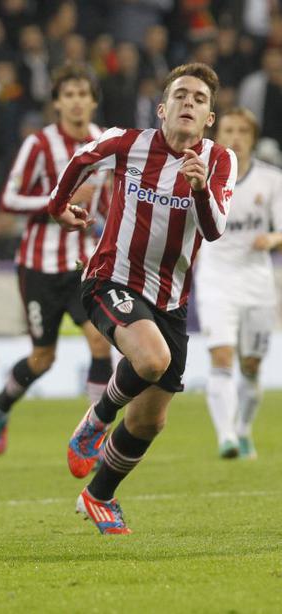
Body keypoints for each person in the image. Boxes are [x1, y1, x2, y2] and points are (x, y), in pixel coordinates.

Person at [49, 63, 237, 534]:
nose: (189, 103)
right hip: (110, 279)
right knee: (153, 359)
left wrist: (199, 189)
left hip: (170, 301)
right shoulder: (127, 143)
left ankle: (98, 496)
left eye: (199, 99)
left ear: (210, 117)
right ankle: (97, 419)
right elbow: (81, 160)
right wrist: (58, 207)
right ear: (162, 108)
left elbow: (214, 230)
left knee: (150, 421)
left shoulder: (219, 161)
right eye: (181, 95)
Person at [0, 65, 112, 455]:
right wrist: (59, 203)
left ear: (93, 101)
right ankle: (1, 405)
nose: (76, 102)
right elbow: (9, 199)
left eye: (83, 94)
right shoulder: (39, 144)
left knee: (100, 342)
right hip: (39, 265)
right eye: (68, 94)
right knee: (43, 358)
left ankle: (91, 437)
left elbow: (107, 202)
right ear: (57, 103)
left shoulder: (106, 143)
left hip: (82, 265)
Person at [196, 107, 282, 460]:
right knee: (222, 355)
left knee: (251, 365)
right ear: (217, 136)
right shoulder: (202, 176)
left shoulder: (271, 179)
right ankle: (226, 436)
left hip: (257, 281)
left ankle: (243, 428)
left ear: (253, 138)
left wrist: (272, 239)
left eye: (243, 131)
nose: (235, 137)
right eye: (229, 130)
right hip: (215, 278)